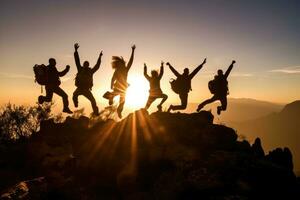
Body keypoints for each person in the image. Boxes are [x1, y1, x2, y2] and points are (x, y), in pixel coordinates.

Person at [72, 43, 103, 116]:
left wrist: (99, 57)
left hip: (86, 89)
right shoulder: (80, 69)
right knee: (74, 95)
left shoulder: (90, 71)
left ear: (88, 65)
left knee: (93, 100)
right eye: (85, 64)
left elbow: (97, 66)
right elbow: (77, 60)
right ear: (83, 65)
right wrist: (76, 51)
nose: (86, 65)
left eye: (87, 64)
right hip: (79, 88)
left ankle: (96, 112)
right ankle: (76, 103)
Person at [108, 45, 136, 118]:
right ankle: (111, 98)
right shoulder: (117, 71)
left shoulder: (125, 69)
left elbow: (131, 61)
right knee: (116, 96)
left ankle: (119, 111)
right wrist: (111, 84)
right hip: (118, 86)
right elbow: (113, 78)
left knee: (122, 101)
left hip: (123, 87)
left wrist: (133, 51)